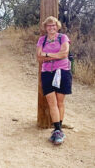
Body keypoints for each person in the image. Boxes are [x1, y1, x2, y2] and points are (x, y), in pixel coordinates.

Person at [36, 16, 72, 145]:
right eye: (49, 26)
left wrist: (47, 54)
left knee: (60, 101)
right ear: (45, 27)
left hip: (62, 71)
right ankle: (57, 130)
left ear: (57, 27)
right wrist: (55, 55)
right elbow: (39, 57)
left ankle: (58, 130)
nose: (51, 28)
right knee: (52, 102)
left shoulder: (63, 38)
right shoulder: (42, 40)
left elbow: (64, 54)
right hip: (47, 72)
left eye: (54, 25)